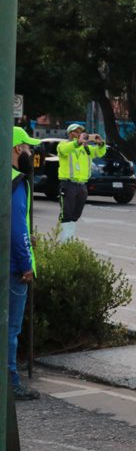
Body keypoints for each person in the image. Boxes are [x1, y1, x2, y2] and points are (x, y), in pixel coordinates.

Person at [9, 127, 40, 401]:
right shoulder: (17, 181)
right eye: (29, 148)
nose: (31, 153)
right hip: (13, 269)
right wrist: (26, 264)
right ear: (18, 149)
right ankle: (11, 382)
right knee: (11, 328)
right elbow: (16, 227)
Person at [56, 123, 106, 242]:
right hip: (68, 184)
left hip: (81, 186)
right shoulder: (63, 145)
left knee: (75, 215)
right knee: (66, 214)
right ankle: (63, 243)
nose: (79, 134)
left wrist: (100, 144)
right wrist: (77, 142)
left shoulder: (86, 148)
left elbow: (100, 153)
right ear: (70, 133)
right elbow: (64, 150)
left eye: (81, 132)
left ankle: (70, 241)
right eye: (76, 132)